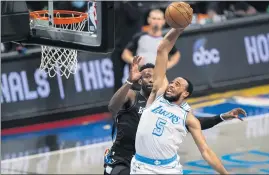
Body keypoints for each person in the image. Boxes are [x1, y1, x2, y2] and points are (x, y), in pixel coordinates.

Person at [131, 22, 247, 175]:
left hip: (168, 170)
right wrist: (179, 28)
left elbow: (205, 151)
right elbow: (162, 49)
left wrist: (225, 174)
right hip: (141, 167)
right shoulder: (157, 95)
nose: (171, 85)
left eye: (177, 84)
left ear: (185, 93)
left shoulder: (188, 118)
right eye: (171, 82)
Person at [104, 56, 244, 175]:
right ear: (140, 81)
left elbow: (193, 123)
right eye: (147, 76)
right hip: (121, 159)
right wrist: (129, 81)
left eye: (155, 76)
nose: (152, 80)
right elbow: (112, 107)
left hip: (147, 162)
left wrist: (221, 117)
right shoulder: (132, 95)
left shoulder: (165, 104)